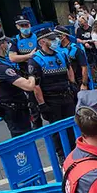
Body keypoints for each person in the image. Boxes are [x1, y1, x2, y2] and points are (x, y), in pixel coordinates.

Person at [28, 28, 77, 162]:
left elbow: (69, 69)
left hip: (66, 96)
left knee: (72, 125)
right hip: (51, 100)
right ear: (42, 41)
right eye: (52, 39)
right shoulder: (36, 60)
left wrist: (73, 85)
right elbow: (36, 86)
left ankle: (75, 151)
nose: (56, 41)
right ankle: (61, 155)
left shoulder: (61, 54)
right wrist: (42, 104)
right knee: (56, 129)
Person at [0, 29, 40, 137]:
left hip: (7, 106)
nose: (8, 45)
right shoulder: (0, 67)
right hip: (15, 109)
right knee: (22, 138)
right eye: (6, 43)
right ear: (2, 45)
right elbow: (29, 86)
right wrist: (31, 71)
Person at [8, 15, 42, 128]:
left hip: (39, 72)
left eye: (26, 25)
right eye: (22, 25)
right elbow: (12, 58)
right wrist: (29, 56)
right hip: (25, 74)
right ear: (17, 27)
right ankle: (37, 126)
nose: (25, 27)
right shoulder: (15, 41)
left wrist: (23, 57)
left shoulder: (37, 38)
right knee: (32, 102)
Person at [54, 26, 90, 92]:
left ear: (64, 36)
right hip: (66, 81)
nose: (55, 38)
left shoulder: (75, 49)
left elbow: (84, 67)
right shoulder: (57, 49)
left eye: (57, 35)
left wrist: (84, 84)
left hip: (78, 80)